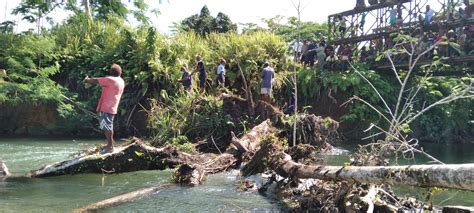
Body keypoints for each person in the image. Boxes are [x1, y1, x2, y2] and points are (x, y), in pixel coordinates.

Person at [83, 64, 125, 153]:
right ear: (120, 72)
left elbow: (96, 81)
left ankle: (110, 147)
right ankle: (110, 144)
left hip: (107, 106)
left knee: (107, 126)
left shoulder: (110, 80)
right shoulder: (121, 81)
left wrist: (87, 80)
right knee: (108, 125)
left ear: (111, 72)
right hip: (112, 106)